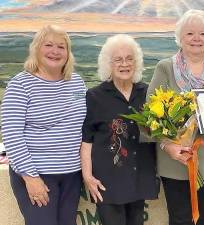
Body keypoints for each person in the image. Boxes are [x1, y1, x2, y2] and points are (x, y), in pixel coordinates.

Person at [147, 9, 204, 225]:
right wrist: (167, 146)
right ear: (179, 37)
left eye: (202, 34)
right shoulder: (165, 69)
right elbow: (149, 116)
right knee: (179, 219)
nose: (196, 39)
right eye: (190, 34)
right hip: (176, 161)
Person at [1, 25, 86, 225]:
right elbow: (12, 135)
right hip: (37, 175)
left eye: (61, 47)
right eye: (48, 45)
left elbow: (84, 124)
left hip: (72, 175)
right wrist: (31, 178)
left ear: (68, 52)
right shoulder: (20, 85)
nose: (55, 51)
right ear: (36, 49)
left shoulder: (77, 83)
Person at [80, 34, 159, 225]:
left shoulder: (148, 93)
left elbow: (158, 134)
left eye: (129, 58)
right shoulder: (95, 96)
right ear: (109, 64)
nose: (125, 64)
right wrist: (87, 176)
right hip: (108, 181)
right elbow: (86, 141)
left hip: (140, 176)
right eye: (118, 59)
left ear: (137, 62)